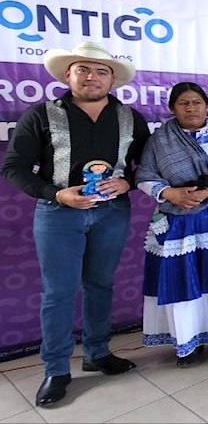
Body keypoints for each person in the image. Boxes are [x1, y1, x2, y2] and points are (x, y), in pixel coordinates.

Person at [1, 41, 150, 407]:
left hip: (112, 213)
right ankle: (56, 369)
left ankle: (97, 353)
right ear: (68, 74)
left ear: (112, 79)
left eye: (101, 71)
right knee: (58, 292)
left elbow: (146, 166)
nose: (92, 77)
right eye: (83, 69)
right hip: (58, 215)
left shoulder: (131, 117)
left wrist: (128, 182)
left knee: (100, 284)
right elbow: (14, 169)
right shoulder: (40, 115)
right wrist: (56, 194)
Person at [135, 82, 208, 366]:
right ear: (172, 108)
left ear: (207, 105)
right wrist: (170, 193)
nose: (191, 108)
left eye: (196, 102)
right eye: (184, 103)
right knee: (185, 277)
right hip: (178, 218)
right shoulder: (159, 140)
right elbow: (144, 175)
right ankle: (187, 340)